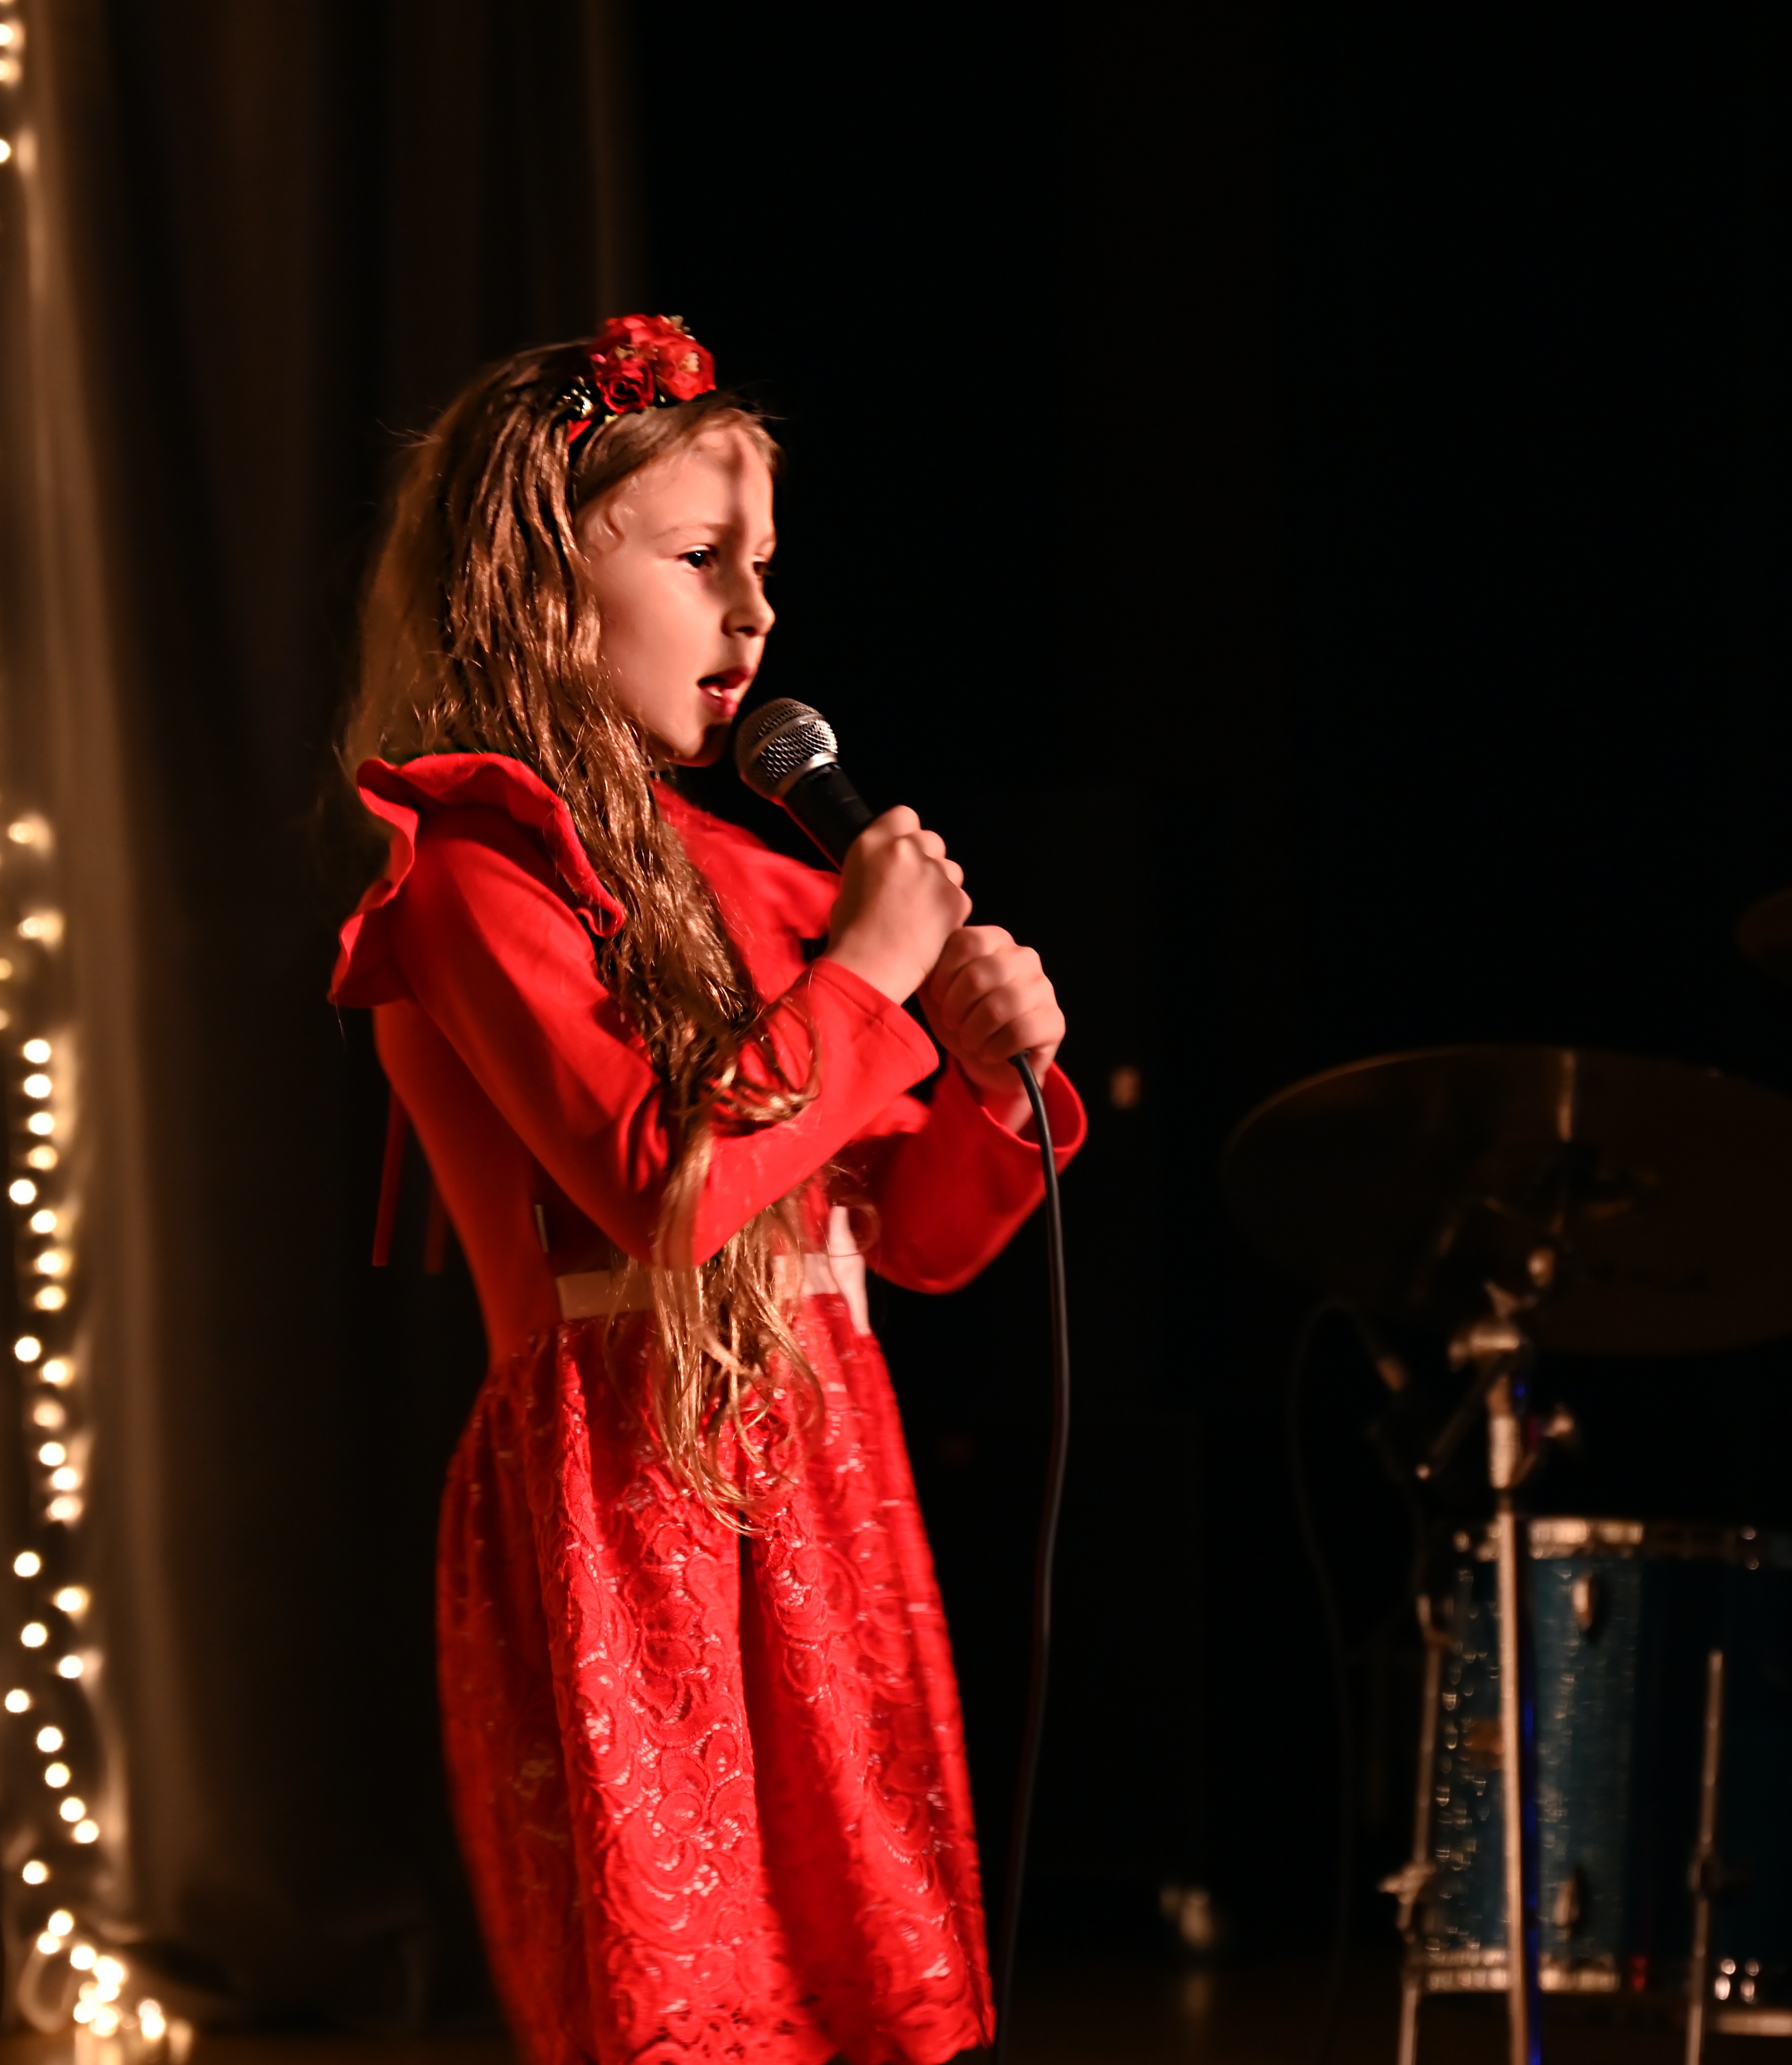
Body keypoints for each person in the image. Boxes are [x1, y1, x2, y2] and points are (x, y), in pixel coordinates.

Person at [328, 315, 1079, 2065]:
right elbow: (664, 1194)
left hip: (821, 1474)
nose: (754, 614)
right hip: (627, 1497)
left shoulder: (753, 877)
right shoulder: (471, 874)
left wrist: (987, 1076)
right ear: (535, 582)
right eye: (699, 560)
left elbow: (919, 1243)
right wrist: (869, 980)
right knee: (697, 1998)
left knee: (868, 1980)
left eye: (765, 567)